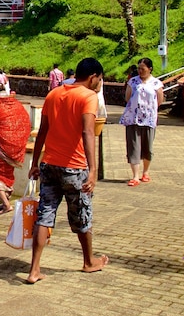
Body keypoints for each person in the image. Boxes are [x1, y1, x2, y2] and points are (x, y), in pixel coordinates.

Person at [26, 57, 109, 284]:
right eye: (99, 79)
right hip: (75, 166)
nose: (99, 84)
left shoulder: (54, 94)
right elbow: (88, 132)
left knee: (45, 215)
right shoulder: (88, 96)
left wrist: (34, 163)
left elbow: (42, 131)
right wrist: (93, 170)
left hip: (49, 164)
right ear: (92, 77)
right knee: (81, 215)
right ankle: (89, 261)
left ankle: (34, 270)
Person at [119, 57, 165, 187]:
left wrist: (149, 110)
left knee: (148, 147)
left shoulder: (156, 83)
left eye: (142, 68)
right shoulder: (132, 82)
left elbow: (159, 100)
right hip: (133, 118)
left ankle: (146, 172)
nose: (140, 71)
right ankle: (135, 176)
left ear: (149, 69)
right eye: (139, 68)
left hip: (149, 119)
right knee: (133, 147)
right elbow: (128, 98)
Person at [0, 82, 32, 213]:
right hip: (14, 147)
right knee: (7, 173)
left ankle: (6, 204)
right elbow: (25, 123)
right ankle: (6, 198)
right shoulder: (17, 105)